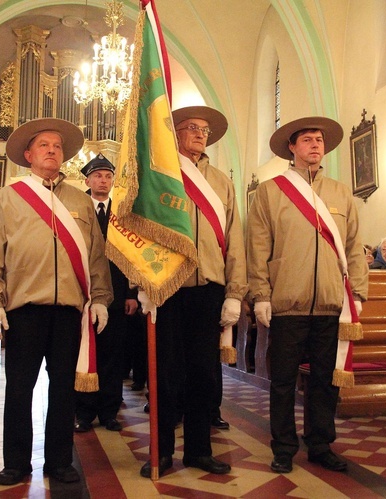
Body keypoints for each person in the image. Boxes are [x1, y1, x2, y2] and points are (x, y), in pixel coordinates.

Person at [0, 118, 112, 486]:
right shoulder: (8, 197)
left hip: (70, 310)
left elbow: (96, 256)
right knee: (19, 389)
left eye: (57, 146)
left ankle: (60, 460)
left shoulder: (80, 200)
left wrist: (99, 298)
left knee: (63, 389)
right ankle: (17, 462)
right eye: (44, 145)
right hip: (24, 309)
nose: (52, 150)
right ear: (28, 155)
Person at [247, 116, 368, 474]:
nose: (315, 144)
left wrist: (357, 292)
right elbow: (257, 247)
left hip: (332, 304)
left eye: (319, 140)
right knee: (283, 382)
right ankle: (283, 446)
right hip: (287, 303)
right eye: (307, 140)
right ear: (292, 146)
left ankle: (320, 444)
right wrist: (261, 294)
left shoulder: (341, 192)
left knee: (325, 381)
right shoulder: (270, 191)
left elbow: (354, 245)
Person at [137, 106, 247, 478]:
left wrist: (235, 291)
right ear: (176, 134)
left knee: (204, 373)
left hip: (209, 289)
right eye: (192, 128)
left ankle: (199, 450)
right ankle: (162, 450)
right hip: (167, 286)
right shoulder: (161, 176)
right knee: (165, 373)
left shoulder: (221, 182)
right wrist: (143, 284)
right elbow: (143, 232)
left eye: (205, 129)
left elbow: (235, 240)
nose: (200, 134)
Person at [74, 154, 138, 434]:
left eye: (108, 176)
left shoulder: (122, 214)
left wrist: (131, 294)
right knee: (86, 356)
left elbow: (131, 256)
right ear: (87, 180)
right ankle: (84, 412)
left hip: (115, 295)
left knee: (114, 357)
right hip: (83, 296)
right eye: (98, 176)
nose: (103, 180)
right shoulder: (76, 209)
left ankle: (110, 411)